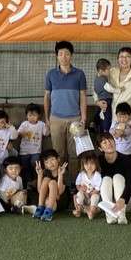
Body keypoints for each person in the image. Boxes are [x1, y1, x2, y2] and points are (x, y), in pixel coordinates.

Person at [44, 41, 87, 179]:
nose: (64, 57)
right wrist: (47, 119)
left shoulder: (79, 74)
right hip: (56, 119)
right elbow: (47, 97)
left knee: (74, 153)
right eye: (61, 54)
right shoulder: (51, 74)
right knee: (58, 153)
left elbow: (83, 96)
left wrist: (83, 117)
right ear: (57, 56)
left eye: (67, 54)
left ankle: (74, 182)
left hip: (75, 119)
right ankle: (60, 182)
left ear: (71, 55)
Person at [97, 133, 131, 225]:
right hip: (106, 200)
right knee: (106, 179)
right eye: (104, 142)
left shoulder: (126, 160)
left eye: (110, 140)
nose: (109, 143)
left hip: (125, 200)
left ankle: (121, 214)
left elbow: (130, 183)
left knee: (117, 177)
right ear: (100, 148)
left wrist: (123, 199)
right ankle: (109, 214)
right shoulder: (98, 161)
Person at [107, 46, 131, 124]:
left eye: (128, 56)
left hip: (127, 120)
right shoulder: (111, 73)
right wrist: (97, 101)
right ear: (118, 59)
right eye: (121, 57)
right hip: (109, 116)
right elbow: (100, 85)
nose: (124, 59)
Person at [17, 102, 49, 186]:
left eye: (34, 115)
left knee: (35, 164)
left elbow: (46, 134)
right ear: (26, 116)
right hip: (24, 151)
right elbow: (18, 133)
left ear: (39, 115)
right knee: (25, 167)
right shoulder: (24, 124)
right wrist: (21, 133)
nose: (32, 117)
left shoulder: (41, 124)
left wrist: (47, 126)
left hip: (36, 151)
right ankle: (27, 183)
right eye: (30, 115)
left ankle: (36, 181)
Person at [34, 149, 68, 222]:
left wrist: (60, 175)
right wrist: (39, 175)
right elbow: (40, 191)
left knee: (52, 182)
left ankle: (48, 211)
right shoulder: (45, 173)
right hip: (47, 200)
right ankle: (40, 207)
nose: (50, 163)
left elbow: (59, 192)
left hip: (58, 202)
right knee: (46, 179)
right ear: (45, 165)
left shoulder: (63, 172)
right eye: (47, 162)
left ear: (58, 159)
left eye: (52, 159)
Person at [73, 150, 102, 220]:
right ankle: (79, 209)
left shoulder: (97, 175)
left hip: (92, 197)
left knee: (95, 196)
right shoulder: (81, 174)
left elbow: (98, 189)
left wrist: (91, 193)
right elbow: (77, 185)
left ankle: (91, 211)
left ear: (96, 164)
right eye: (86, 164)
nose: (89, 166)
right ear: (83, 165)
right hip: (84, 198)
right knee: (79, 194)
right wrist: (81, 189)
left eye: (92, 163)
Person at [92, 58, 114, 133]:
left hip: (102, 100)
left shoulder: (97, 78)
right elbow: (109, 89)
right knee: (106, 116)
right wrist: (118, 90)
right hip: (106, 100)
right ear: (101, 71)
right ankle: (105, 131)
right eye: (108, 69)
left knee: (101, 114)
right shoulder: (102, 79)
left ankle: (98, 126)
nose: (109, 71)